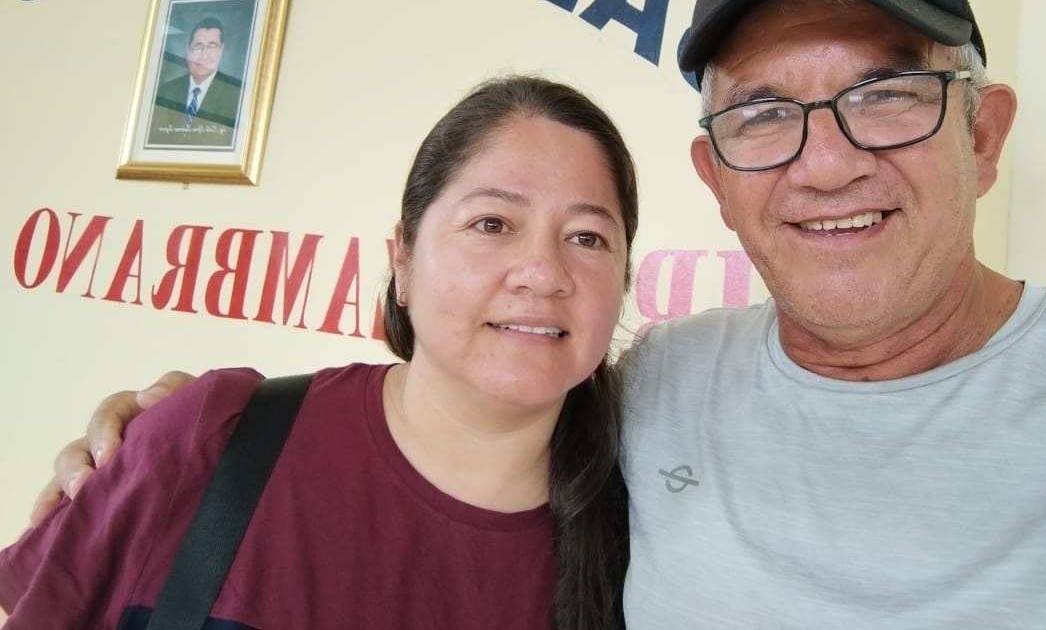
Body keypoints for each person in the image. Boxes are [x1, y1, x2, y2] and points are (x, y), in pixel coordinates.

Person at [27, 0, 1046, 627]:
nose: (824, 163)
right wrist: (178, 438)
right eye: (764, 112)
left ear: (985, 137)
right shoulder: (666, 386)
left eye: (887, 94)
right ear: (717, 178)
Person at [1, 75, 636, 629]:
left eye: (587, 237)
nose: (542, 273)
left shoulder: (649, 545)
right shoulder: (216, 437)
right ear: (403, 262)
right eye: (491, 224)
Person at [147, 16, 243, 147]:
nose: (203, 55)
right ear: (188, 51)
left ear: (221, 50)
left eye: (211, 46)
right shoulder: (166, 91)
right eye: (198, 46)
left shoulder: (236, 95)